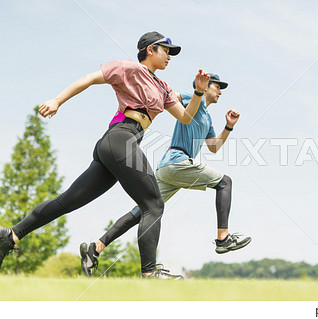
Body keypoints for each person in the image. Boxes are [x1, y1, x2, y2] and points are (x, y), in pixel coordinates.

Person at [0, 31, 211, 280]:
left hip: (118, 143)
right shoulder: (128, 69)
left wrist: (198, 92)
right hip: (120, 138)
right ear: (150, 50)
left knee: (68, 200)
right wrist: (57, 100)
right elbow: (90, 78)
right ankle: (150, 273)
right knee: (153, 205)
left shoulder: (163, 87)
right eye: (166, 51)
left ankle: (9, 236)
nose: (170, 57)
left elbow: (185, 117)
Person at [79, 74, 251, 277]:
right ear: (205, 87)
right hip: (179, 162)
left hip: (169, 168)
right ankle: (223, 238)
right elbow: (168, 97)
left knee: (142, 211)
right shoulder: (191, 97)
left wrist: (229, 126)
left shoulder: (207, 118)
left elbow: (213, 146)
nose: (220, 91)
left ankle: (96, 247)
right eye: (217, 86)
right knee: (224, 183)